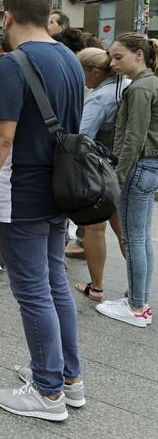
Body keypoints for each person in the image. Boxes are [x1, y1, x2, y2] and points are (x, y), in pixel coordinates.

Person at [0, 0, 85, 422]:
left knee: (34, 291)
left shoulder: (14, 64)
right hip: (60, 189)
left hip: (23, 192)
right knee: (54, 284)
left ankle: (47, 391)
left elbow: (0, 138)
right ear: (48, 14)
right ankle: (68, 379)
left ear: (8, 17)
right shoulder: (70, 58)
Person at [95, 33, 158, 328]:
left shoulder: (141, 88)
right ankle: (139, 300)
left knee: (134, 239)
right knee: (141, 237)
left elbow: (134, 137)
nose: (113, 62)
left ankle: (136, 306)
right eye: (111, 57)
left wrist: (118, 177)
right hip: (149, 167)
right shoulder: (149, 84)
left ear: (138, 55)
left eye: (118, 57)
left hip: (139, 167)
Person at [68, 48, 128, 302]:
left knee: (95, 227)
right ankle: (136, 286)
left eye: (81, 73)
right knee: (125, 229)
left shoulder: (100, 97)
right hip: (125, 166)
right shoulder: (127, 84)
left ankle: (98, 287)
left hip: (103, 170)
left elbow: (82, 136)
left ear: (94, 71)